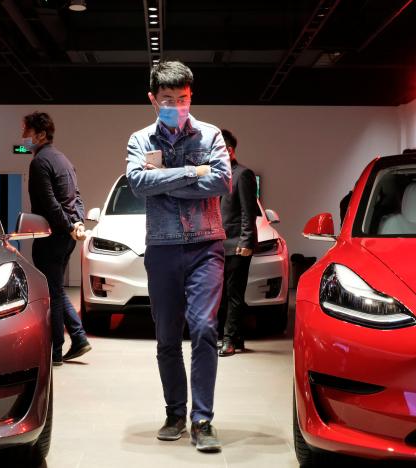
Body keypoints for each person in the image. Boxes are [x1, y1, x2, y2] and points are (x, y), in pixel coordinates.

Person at [125, 61, 231, 453]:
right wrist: (191, 171)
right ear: (153, 99)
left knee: (204, 329)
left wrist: (166, 182)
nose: (176, 106)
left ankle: (202, 420)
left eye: (183, 99)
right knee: (167, 336)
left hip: (207, 245)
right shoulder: (140, 139)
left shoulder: (211, 134)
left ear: (191, 95)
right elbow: (138, 183)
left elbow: (221, 180)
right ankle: (175, 412)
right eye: (168, 99)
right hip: (163, 247)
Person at [22, 111, 91, 366]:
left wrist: (67, 225)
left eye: (26, 132)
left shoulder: (40, 162)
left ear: (40, 134)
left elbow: (51, 204)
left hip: (52, 235)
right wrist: (77, 223)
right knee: (58, 290)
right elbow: (77, 196)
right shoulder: (63, 160)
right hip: (67, 236)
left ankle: (57, 352)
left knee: (52, 292)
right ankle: (78, 338)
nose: (23, 137)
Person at [216, 129, 257, 357]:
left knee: (233, 295)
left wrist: (246, 241)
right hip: (219, 246)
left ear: (229, 151)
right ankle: (236, 337)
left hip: (237, 245)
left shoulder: (244, 175)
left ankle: (229, 339)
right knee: (222, 295)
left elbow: (248, 213)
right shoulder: (217, 176)